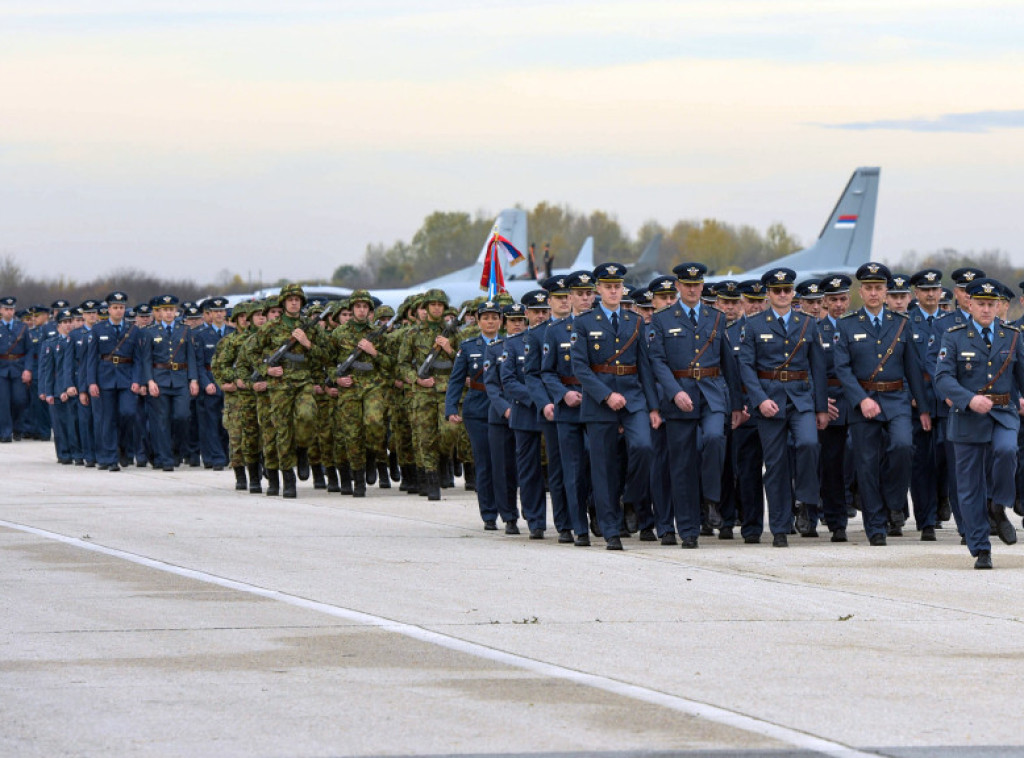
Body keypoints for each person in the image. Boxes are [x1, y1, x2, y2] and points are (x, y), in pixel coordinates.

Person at [833, 263, 929, 546]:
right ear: (860, 291)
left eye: (879, 288)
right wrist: (861, 400)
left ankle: (893, 502)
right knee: (866, 463)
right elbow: (842, 368)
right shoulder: (847, 325)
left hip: (896, 398)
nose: (874, 293)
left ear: (886, 291)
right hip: (864, 400)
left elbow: (913, 368)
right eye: (869, 288)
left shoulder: (901, 323)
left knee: (902, 446)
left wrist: (922, 407)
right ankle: (875, 525)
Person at [648, 263, 742, 548]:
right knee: (682, 466)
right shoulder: (663, 319)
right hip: (679, 398)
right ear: (678, 286)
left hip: (712, 394)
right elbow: (657, 361)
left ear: (702, 286)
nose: (691, 289)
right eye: (686, 284)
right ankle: (687, 530)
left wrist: (736, 404)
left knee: (715, 438)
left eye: (696, 284)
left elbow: (728, 363)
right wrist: (675, 393)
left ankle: (711, 497)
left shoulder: (715, 317)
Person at [933, 278, 1024, 568]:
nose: (986, 309)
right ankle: (980, 547)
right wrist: (968, 399)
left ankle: (998, 505)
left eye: (991, 304)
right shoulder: (954, 336)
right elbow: (943, 378)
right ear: (969, 304)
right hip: (968, 416)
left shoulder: (1012, 335)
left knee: (1007, 451)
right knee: (970, 486)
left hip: (1003, 412)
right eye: (980, 304)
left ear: (999, 306)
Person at [570, 262, 660, 550]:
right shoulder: (584, 323)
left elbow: (645, 367)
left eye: (617, 286)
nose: (613, 291)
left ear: (623, 289)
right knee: (604, 468)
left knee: (644, 448)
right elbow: (581, 368)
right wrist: (606, 395)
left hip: (633, 398)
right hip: (600, 403)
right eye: (607, 286)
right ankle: (610, 529)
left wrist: (654, 407)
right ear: (598, 290)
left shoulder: (634, 321)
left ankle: (631, 500)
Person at [737, 267, 828, 547]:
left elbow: (818, 367)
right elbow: (746, 367)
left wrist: (821, 407)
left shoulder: (806, 323)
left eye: (787, 290)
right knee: (775, 465)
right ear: (768, 294)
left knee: (809, 445)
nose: (783, 295)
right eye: (777, 291)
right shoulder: (753, 325)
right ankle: (778, 526)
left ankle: (805, 497)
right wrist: (759, 399)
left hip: (800, 398)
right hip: (769, 400)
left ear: (793, 293)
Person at [249, 284, 328, 498]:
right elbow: (251, 352)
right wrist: (266, 369)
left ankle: (302, 449)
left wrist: (307, 343)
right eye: (290, 299)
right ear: (283, 303)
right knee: (281, 431)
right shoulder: (270, 327)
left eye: (297, 299)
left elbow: (327, 355)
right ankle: (287, 478)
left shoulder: (309, 327)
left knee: (307, 416)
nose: (294, 302)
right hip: (280, 385)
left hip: (303, 381)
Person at [446, 300, 504, 529]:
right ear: (478, 321)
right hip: (477, 410)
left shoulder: (510, 344)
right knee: (484, 463)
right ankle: (489, 513)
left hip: (504, 408)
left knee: (504, 463)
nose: (490, 321)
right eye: (485, 317)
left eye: (494, 317)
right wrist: (450, 408)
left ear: (501, 320)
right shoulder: (468, 347)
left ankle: (508, 510)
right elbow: (456, 380)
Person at [0, 295, 33, 443]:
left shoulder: (22, 328)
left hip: (19, 367)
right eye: (6, 309)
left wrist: (28, 369)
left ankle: (17, 428)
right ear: (1, 310)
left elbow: (30, 350)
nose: (9, 312)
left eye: (11, 309)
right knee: (4, 401)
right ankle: (5, 432)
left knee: (20, 400)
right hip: (2, 368)